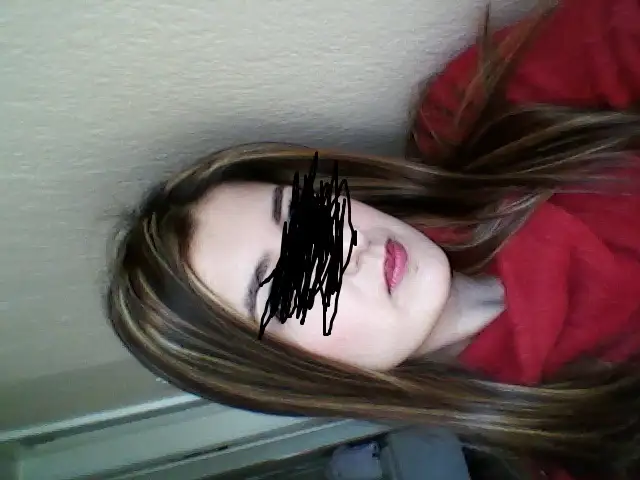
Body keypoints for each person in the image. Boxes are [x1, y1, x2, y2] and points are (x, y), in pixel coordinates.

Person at [104, 0, 640, 478]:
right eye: (288, 286)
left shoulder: (469, 120)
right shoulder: (581, 436)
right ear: (301, 376)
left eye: (304, 216)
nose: (345, 249)